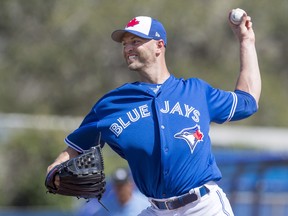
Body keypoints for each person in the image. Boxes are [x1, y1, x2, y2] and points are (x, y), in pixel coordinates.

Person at [47, 10, 261, 216]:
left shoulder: (196, 92)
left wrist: (246, 41)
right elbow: (74, 149)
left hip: (203, 207)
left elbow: (247, 101)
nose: (127, 48)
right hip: (156, 209)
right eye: (124, 43)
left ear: (159, 46)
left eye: (135, 41)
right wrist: (54, 170)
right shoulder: (112, 105)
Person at [75, 167, 150, 216]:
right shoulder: (106, 207)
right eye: (117, 185)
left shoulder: (145, 204)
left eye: (122, 185)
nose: (120, 189)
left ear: (130, 185)